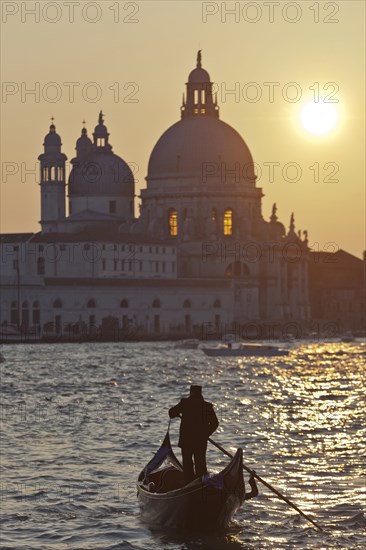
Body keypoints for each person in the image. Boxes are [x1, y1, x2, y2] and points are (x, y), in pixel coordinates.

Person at [169, 385, 219, 484]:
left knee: (187, 465)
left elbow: (171, 413)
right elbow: (215, 423)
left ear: (191, 393)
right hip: (200, 441)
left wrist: (178, 411)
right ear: (200, 393)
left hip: (187, 441)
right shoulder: (206, 406)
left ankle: (189, 484)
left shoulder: (185, 403)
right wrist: (205, 434)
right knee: (200, 464)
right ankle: (201, 484)